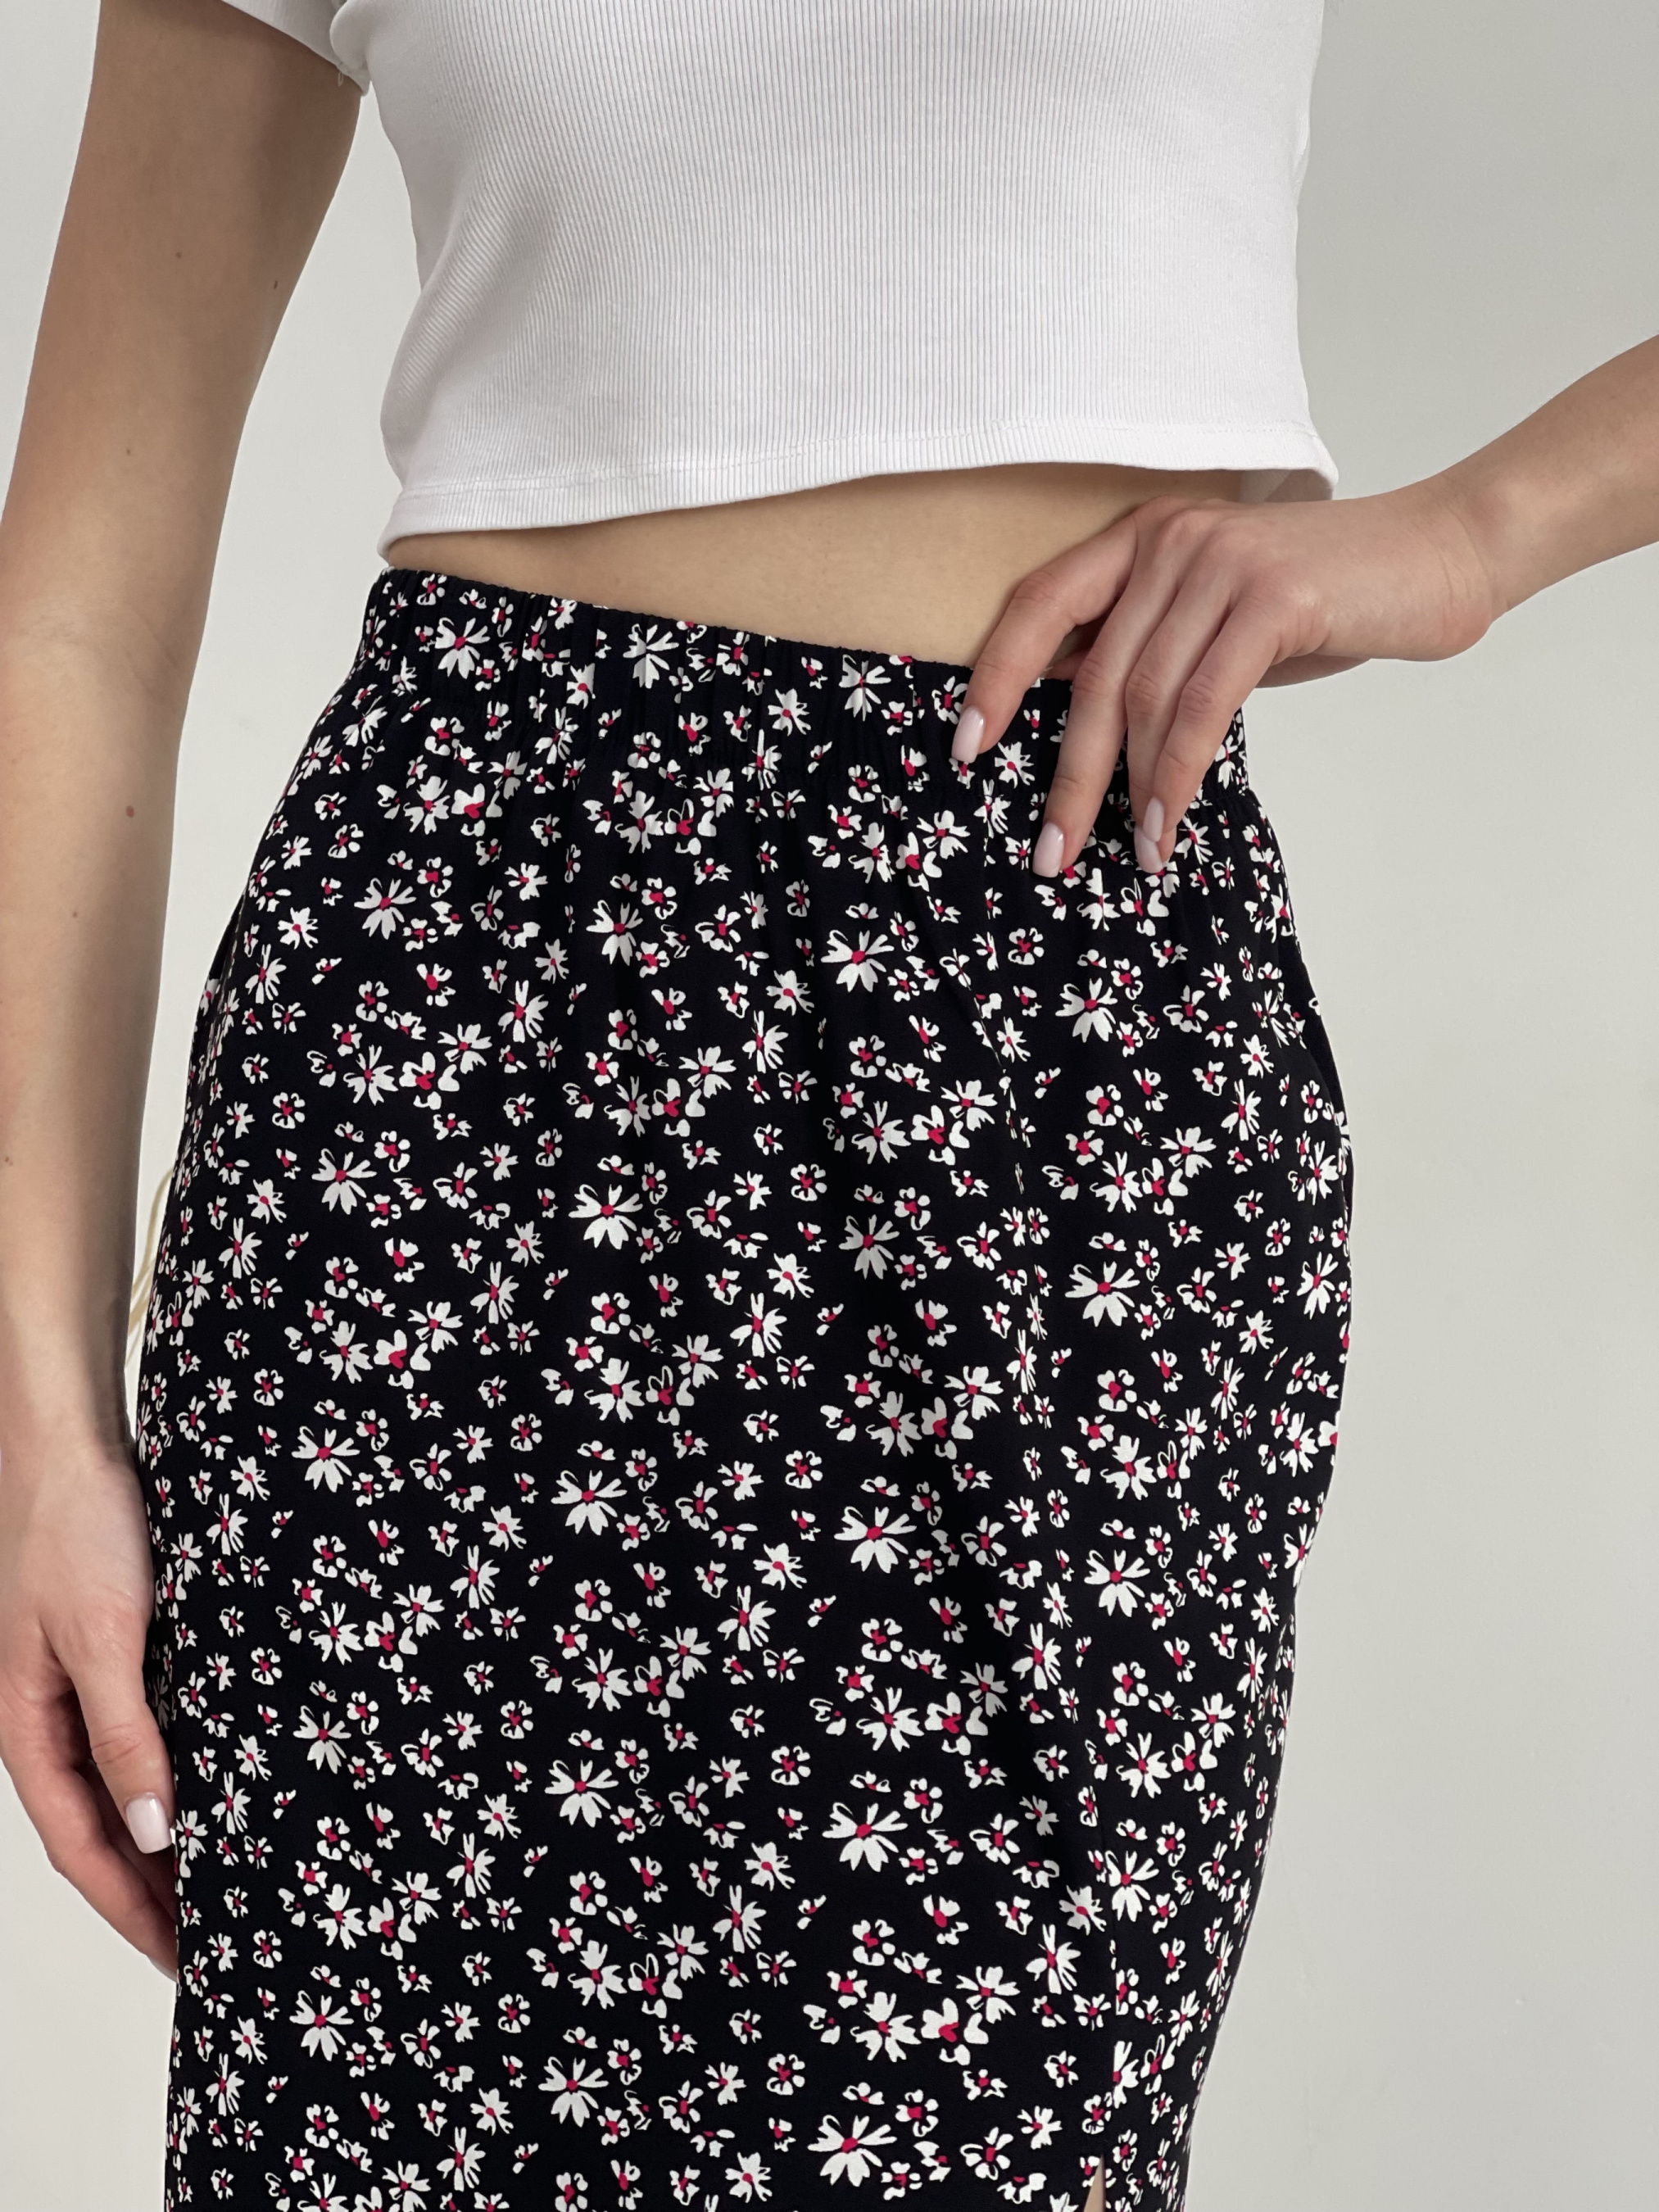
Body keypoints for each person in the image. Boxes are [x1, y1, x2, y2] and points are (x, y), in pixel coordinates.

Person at [0, 2, 1653, 2207]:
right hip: (450, 1091)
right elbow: (77, 613)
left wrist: (1483, 528)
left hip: (1057, 1081)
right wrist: (36, 1419)